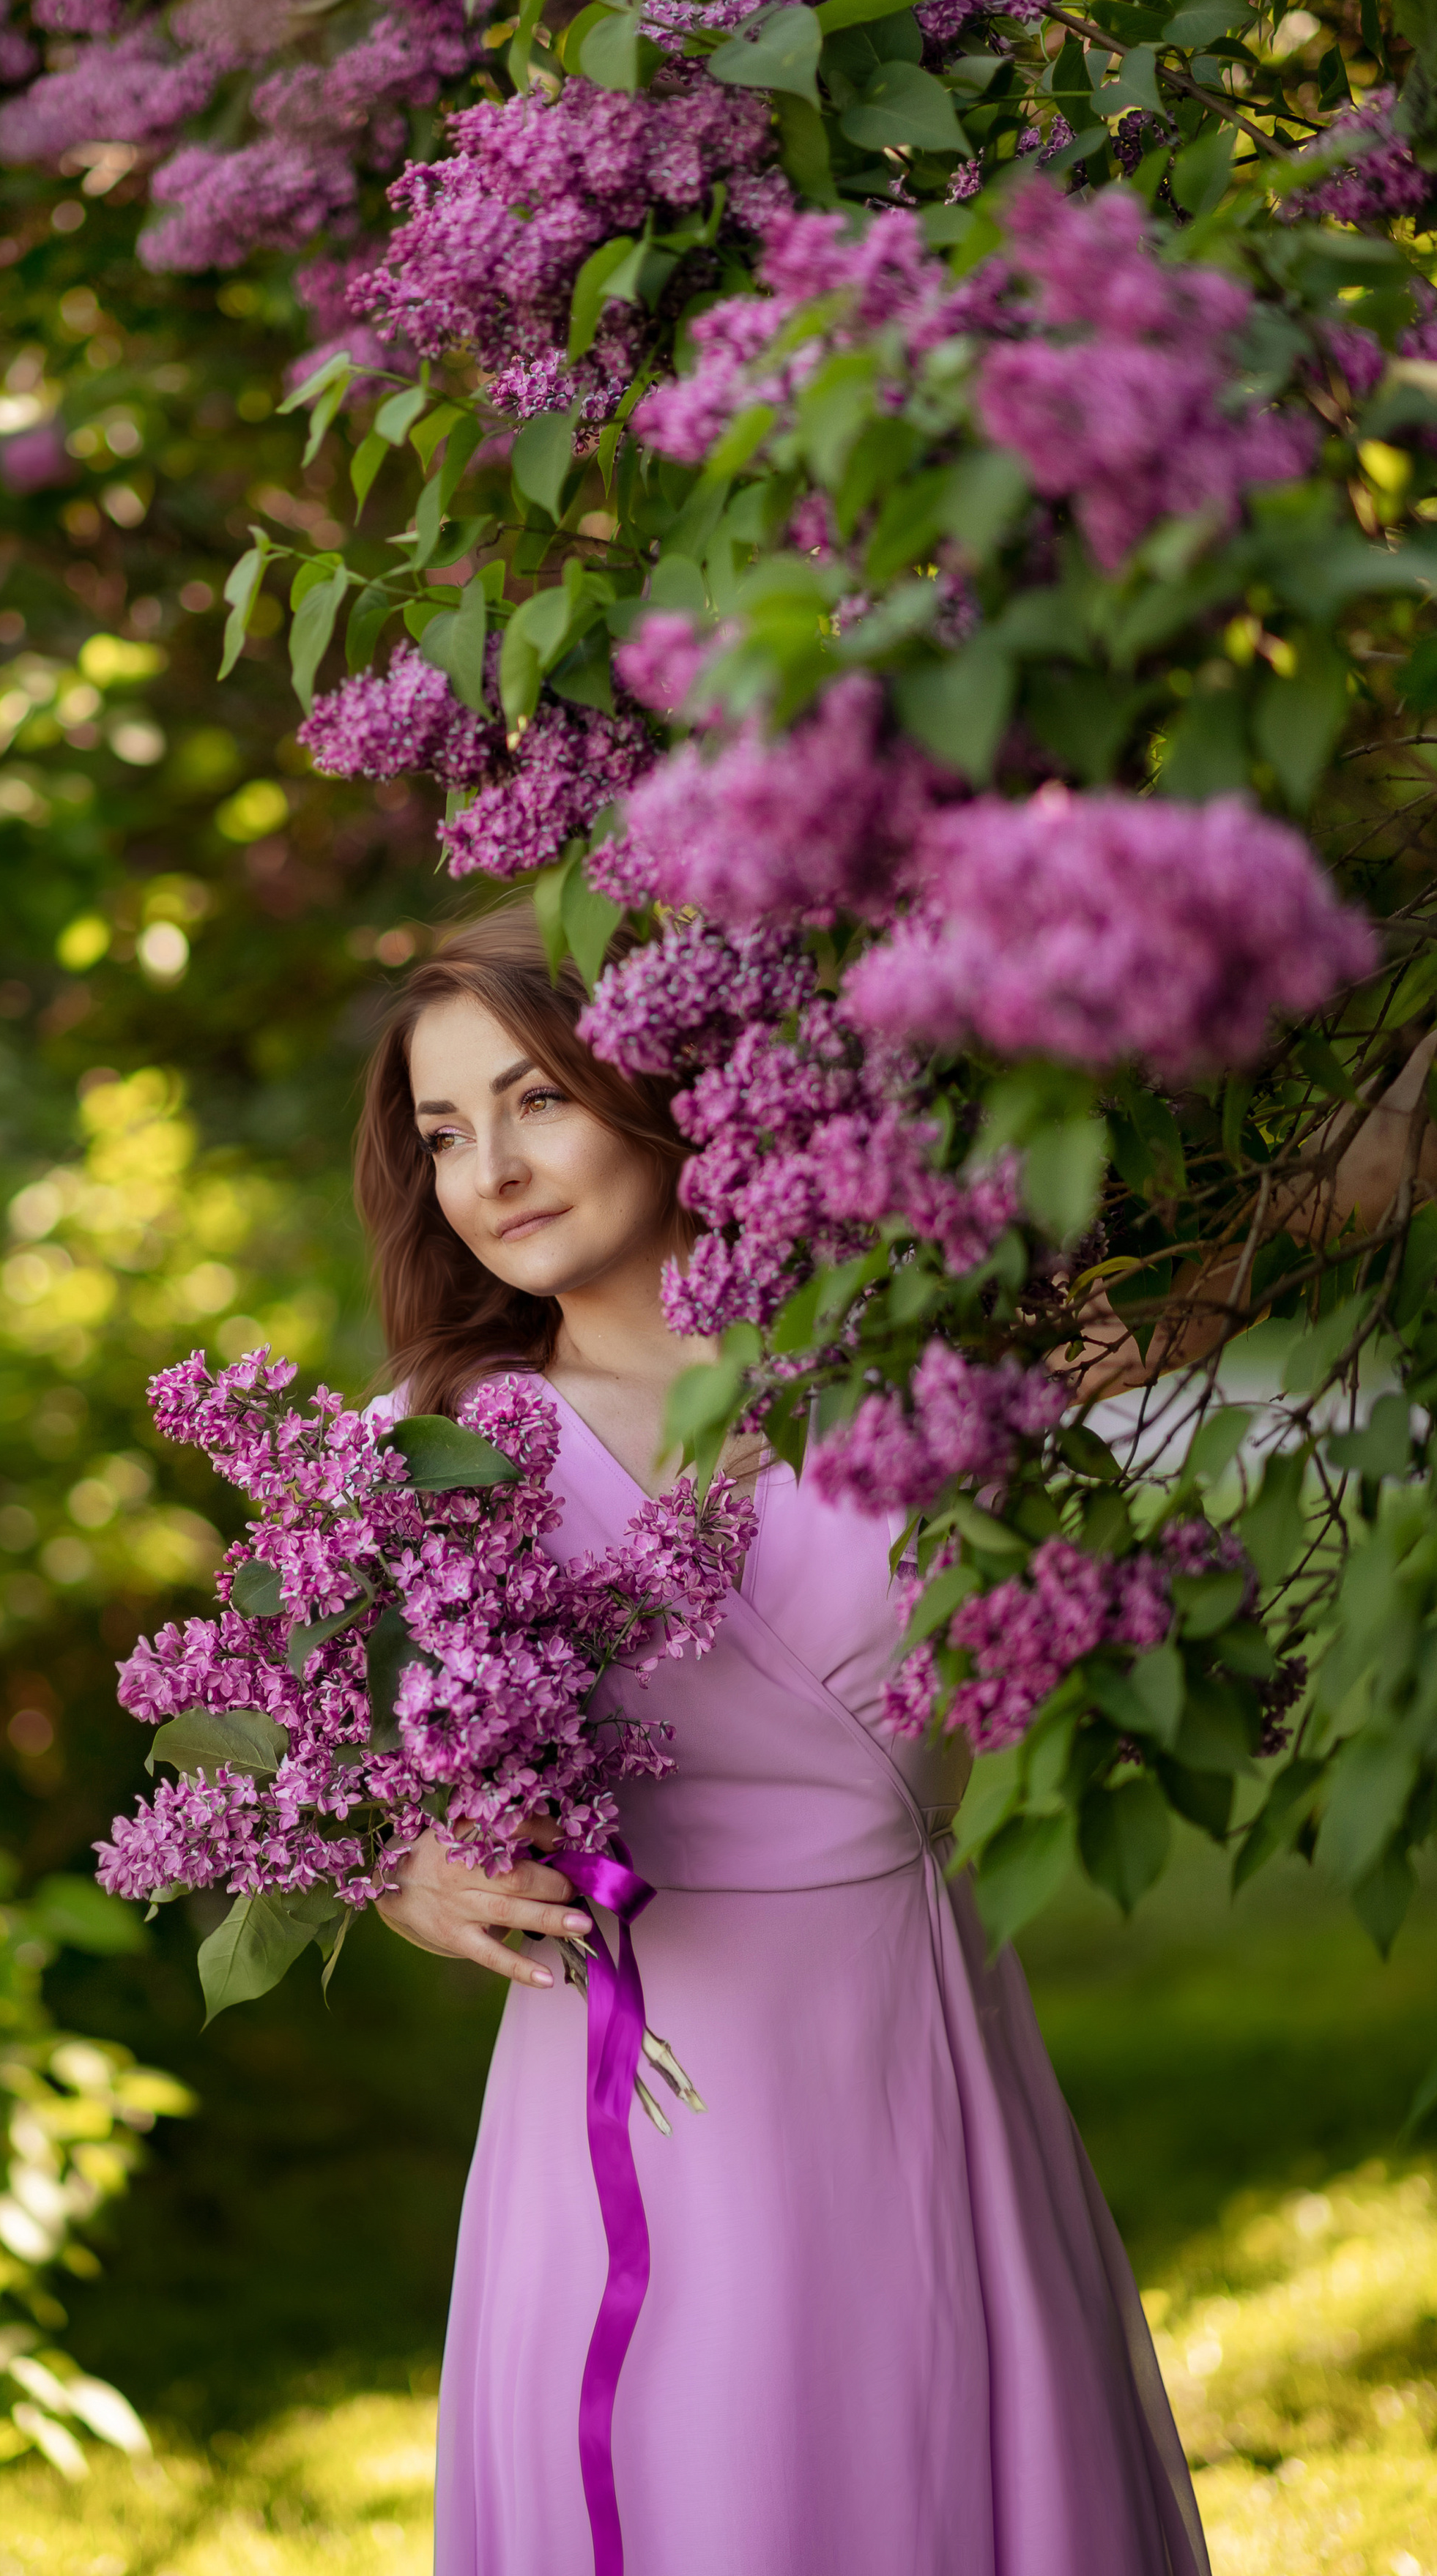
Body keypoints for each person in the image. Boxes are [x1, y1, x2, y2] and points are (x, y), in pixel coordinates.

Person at [358, 899, 1210, 2576]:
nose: (491, 1170)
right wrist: (410, 1875)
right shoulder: (435, 1452)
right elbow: (366, 1792)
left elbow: (1261, 1254)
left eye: (534, 1098)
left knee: (940, 2459)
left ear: (654, 1082)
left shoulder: (908, 1364)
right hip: (632, 2077)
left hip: (895, 2033)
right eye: (443, 1134)